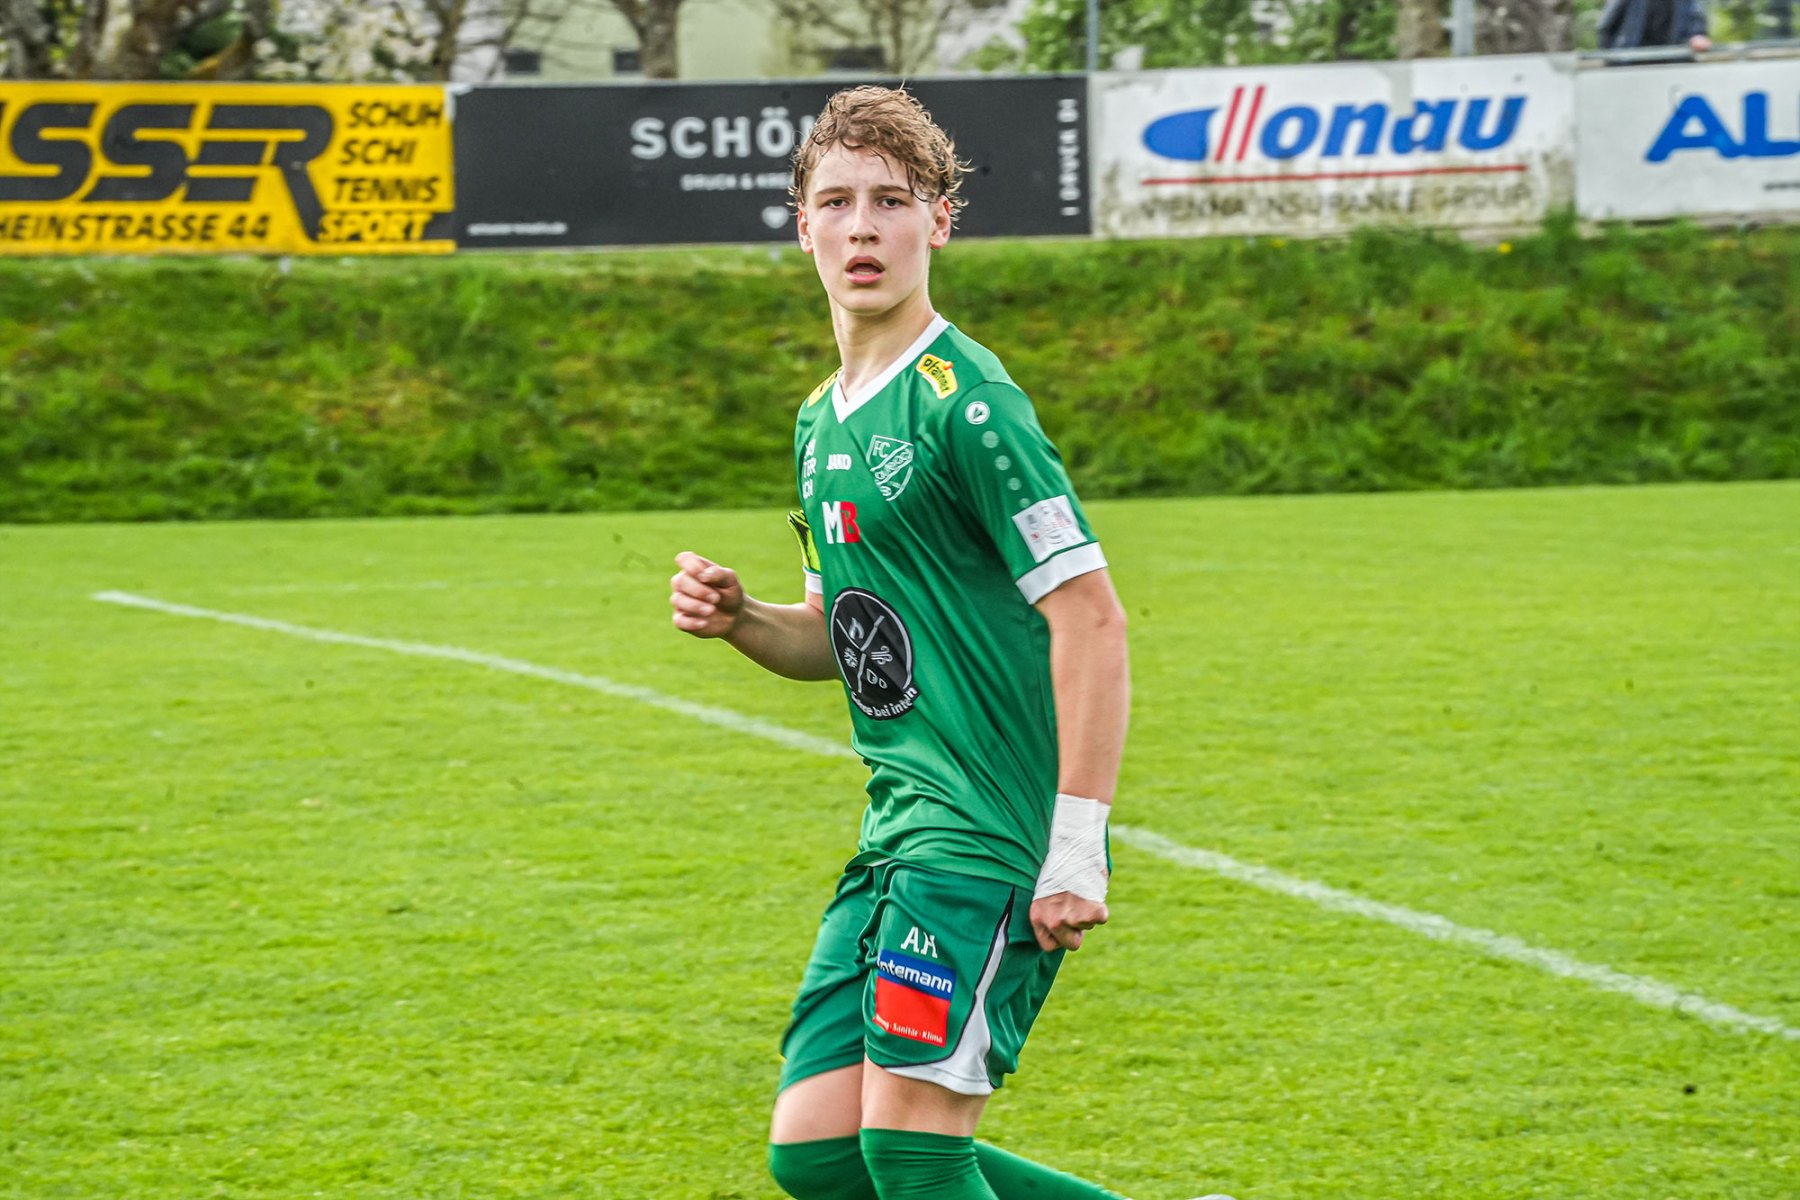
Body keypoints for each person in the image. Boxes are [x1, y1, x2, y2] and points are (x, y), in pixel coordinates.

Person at [669, 86, 1160, 1199]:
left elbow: (1092, 616)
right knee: (818, 1154)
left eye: (892, 201)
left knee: (909, 1151)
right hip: (897, 831)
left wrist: (1075, 845)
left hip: (984, 834)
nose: (863, 227)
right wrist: (745, 621)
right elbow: (837, 639)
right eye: (837, 201)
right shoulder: (820, 420)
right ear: (802, 224)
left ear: (939, 221)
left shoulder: (969, 404)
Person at [1597, 0, 1713, 52]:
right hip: (1631, 62)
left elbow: (1695, 17)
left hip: (1672, 61)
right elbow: (1607, 26)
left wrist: (1697, 35)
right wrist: (1612, 57)